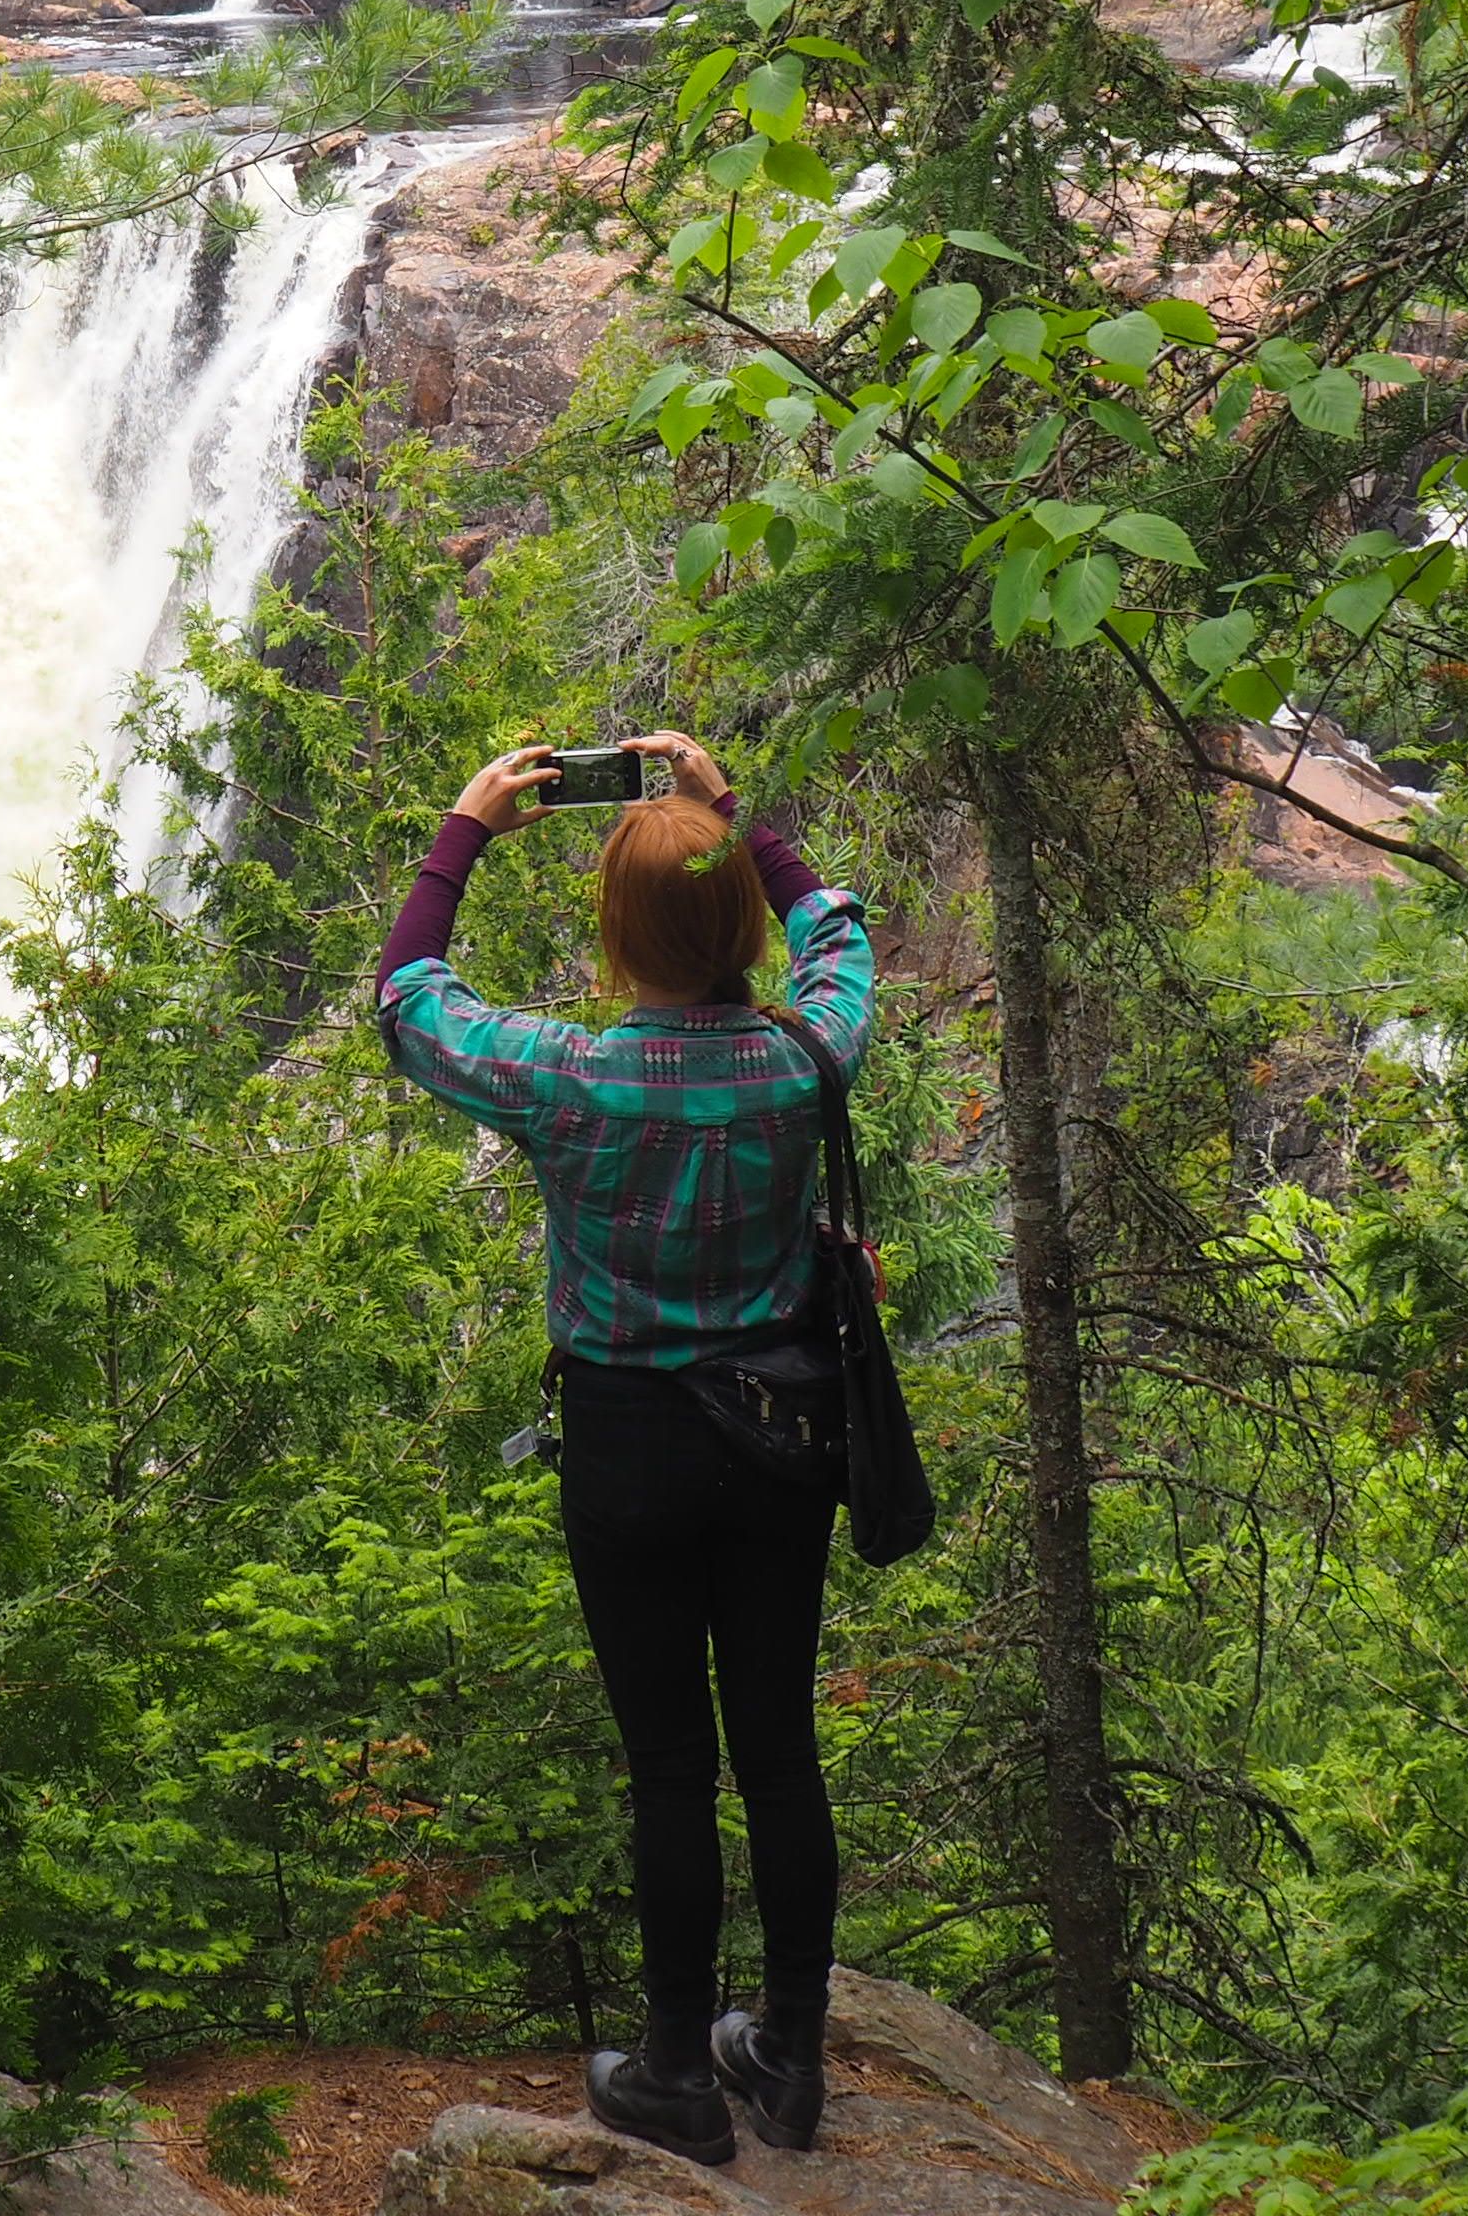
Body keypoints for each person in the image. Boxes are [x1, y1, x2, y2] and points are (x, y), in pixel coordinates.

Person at [372, 729, 880, 2164]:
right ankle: (785, 2058)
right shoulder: (803, 1057)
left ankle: (672, 2066)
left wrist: (461, 830)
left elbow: (410, 997)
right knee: (778, 1750)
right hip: (778, 1438)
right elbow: (839, 938)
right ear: (738, 929)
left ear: (610, 935)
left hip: (627, 1446)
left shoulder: (565, 1075)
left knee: (670, 1764)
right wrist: (742, 817)